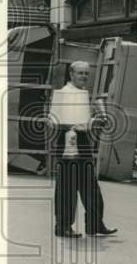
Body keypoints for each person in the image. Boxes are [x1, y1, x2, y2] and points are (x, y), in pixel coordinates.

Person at [47, 61, 116, 238]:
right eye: (80, 73)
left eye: (86, 73)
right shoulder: (62, 94)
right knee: (67, 187)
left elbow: (83, 119)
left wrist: (93, 122)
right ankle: (62, 226)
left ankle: (95, 224)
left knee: (90, 185)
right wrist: (74, 126)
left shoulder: (82, 93)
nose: (84, 76)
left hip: (82, 141)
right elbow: (52, 121)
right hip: (66, 142)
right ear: (71, 74)